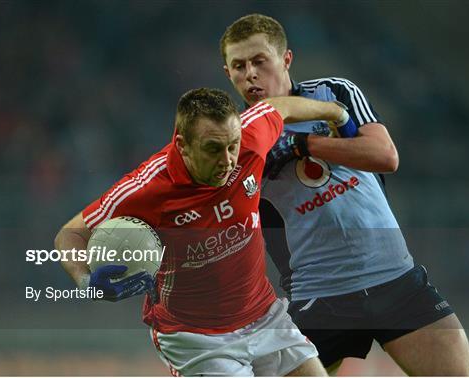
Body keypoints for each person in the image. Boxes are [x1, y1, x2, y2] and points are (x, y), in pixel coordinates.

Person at [220, 14, 469, 376]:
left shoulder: (332, 92)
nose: (251, 74)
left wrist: (301, 145)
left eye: (260, 61)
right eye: (239, 66)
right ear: (228, 73)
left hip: (396, 280)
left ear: (286, 59)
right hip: (318, 298)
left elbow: (385, 156)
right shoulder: (237, 139)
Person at [55, 87, 351, 376]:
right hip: (195, 339)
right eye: (213, 148)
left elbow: (279, 107)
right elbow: (70, 235)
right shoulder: (147, 189)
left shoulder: (251, 138)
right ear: (183, 145)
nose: (227, 160)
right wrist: (86, 281)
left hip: (263, 316)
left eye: (232, 145)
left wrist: (337, 113)